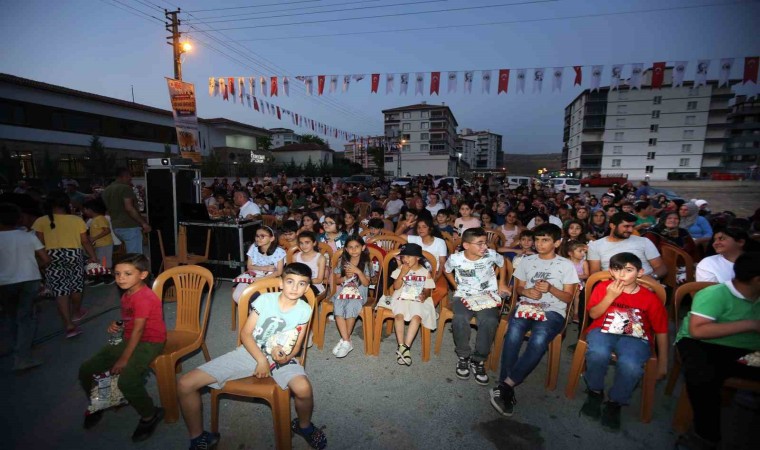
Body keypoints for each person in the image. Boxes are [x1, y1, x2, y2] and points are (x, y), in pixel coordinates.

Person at [177, 263, 327, 450]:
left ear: (307, 287)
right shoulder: (265, 300)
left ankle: (303, 426)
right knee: (185, 384)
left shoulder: (304, 309)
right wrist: (261, 359)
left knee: (304, 389)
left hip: (281, 357)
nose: (295, 288)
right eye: (290, 282)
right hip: (251, 351)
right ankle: (198, 437)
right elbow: (246, 334)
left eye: (302, 284)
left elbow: (297, 346)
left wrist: (285, 356)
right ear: (281, 283)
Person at [674, 252, 760, 450]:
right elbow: (698, 331)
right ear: (757, 280)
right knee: (703, 376)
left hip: (750, 348)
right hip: (706, 344)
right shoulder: (715, 294)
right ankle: (705, 435)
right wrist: (751, 325)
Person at [490, 224, 579, 416]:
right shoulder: (527, 261)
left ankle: (506, 385)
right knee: (513, 331)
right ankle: (507, 388)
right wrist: (526, 291)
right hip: (526, 306)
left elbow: (568, 298)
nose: (539, 244)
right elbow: (519, 289)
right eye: (537, 239)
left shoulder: (566, 265)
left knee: (539, 338)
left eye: (545, 240)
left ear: (557, 242)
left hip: (553, 311)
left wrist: (551, 289)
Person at [78, 254, 166, 442]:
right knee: (87, 369)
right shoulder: (128, 293)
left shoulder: (143, 297)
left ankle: (150, 415)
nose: (121, 278)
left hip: (150, 341)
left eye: (127, 274)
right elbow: (131, 320)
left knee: (126, 380)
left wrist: (124, 358)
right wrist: (118, 324)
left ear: (143, 275)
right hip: (129, 336)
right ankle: (102, 400)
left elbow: (140, 329)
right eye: (117, 274)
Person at [579, 252, 668, 431]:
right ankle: (595, 391)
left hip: (636, 337)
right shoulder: (603, 287)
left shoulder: (649, 297)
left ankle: (615, 402)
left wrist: (663, 363)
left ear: (640, 272)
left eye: (628, 270)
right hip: (602, 329)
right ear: (611, 271)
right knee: (598, 352)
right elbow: (593, 315)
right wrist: (610, 296)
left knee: (631, 364)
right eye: (617, 269)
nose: (622, 275)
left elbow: (661, 330)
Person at [444, 227, 511, 385]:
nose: (485, 247)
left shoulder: (490, 255)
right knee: (459, 318)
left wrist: (502, 283)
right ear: (466, 245)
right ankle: (463, 356)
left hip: (486, 294)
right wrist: (455, 286)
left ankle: (478, 359)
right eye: (479, 244)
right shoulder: (455, 259)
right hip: (464, 294)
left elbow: (504, 263)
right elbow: (447, 271)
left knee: (489, 321)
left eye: (485, 243)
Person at [32, 191, 98, 338]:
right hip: (73, 255)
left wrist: (40, 261)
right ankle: (76, 312)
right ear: (67, 204)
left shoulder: (40, 221)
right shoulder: (76, 220)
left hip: (51, 256)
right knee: (76, 285)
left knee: (60, 290)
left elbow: (39, 244)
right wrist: (93, 256)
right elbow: (85, 241)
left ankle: (69, 325)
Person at [0, 203, 50, 371]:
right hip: (29, 279)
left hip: (4, 283)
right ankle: (22, 356)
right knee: (26, 317)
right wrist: (33, 265)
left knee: (10, 317)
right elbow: (45, 259)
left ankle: (17, 348)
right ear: (18, 218)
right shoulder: (27, 236)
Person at [389, 243, 437, 366]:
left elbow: (428, 290)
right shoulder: (401, 269)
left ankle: (406, 347)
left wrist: (424, 295)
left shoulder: (425, 272)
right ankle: (401, 345)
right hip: (401, 296)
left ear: (418, 258)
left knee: (416, 318)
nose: (405, 259)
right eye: (403, 257)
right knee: (399, 316)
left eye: (409, 256)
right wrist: (402, 273)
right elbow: (396, 286)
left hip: (417, 297)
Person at [587, 212, 667, 281]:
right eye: (626, 226)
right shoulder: (595, 246)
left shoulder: (644, 241)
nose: (630, 230)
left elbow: (660, 267)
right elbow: (595, 273)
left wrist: (651, 278)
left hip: (646, 283)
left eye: (632, 226)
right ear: (612, 226)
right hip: (614, 285)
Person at [329, 236, 373, 358]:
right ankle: (347, 341)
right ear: (346, 249)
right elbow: (337, 281)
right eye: (350, 247)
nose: (354, 250)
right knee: (338, 306)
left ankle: (344, 341)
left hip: (359, 293)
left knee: (351, 307)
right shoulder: (342, 262)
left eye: (357, 247)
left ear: (363, 247)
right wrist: (345, 278)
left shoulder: (367, 263)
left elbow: (366, 283)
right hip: (344, 291)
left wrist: (358, 271)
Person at [101, 167, 150, 254]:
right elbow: (129, 208)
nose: (131, 179)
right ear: (124, 176)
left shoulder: (107, 190)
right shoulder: (125, 188)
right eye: (129, 176)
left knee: (127, 254)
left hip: (116, 226)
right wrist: (143, 223)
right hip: (129, 226)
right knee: (135, 256)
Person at [232, 226, 286, 303]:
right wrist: (265, 268)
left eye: (262, 236)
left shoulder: (279, 251)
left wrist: (260, 279)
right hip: (255, 273)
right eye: (257, 236)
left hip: (271, 277)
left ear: (272, 238)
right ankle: (249, 311)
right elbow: (249, 266)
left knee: (257, 298)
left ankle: (254, 312)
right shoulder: (253, 247)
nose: (258, 238)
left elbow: (279, 272)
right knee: (237, 295)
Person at [82, 199, 114, 285]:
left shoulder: (100, 218)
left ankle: (108, 277)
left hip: (105, 244)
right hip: (100, 245)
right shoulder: (94, 220)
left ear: (91, 209)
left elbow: (107, 230)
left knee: (104, 262)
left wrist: (94, 238)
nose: (83, 212)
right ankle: (101, 277)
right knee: (100, 261)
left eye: (84, 209)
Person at [562, 240, 589, 323]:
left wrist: (576, 276)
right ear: (570, 253)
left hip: (579, 283)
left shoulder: (583, 262)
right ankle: (564, 311)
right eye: (580, 251)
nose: (583, 253)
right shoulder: (565, 261)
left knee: (577, 293)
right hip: (567, 282)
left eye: (584, 251)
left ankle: (576, 313)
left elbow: (587, 275)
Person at [295, 231, 327, 297]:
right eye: (301, 243)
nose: (304, 246)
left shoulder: (320, 258)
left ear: (314, 243)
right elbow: (293, 273)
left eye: (307, 243)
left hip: (314, 285)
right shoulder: (295, 256)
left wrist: (302, 282)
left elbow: (319, 280)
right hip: (297, 284)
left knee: (302, 294)